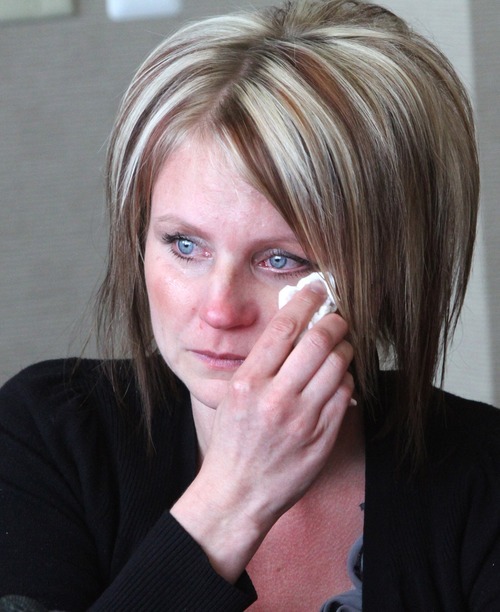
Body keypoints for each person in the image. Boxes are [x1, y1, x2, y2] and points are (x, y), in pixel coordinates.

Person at [1, 0, 499, 610]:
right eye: (184, 245)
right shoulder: (47, 438)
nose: (218, 310)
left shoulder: (482, 478)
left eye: (281, 259)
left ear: (384, 270)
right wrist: (234, 497)